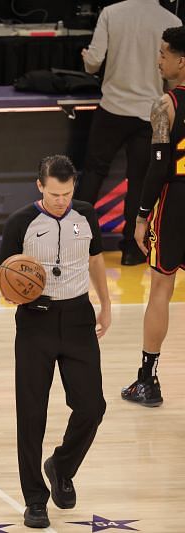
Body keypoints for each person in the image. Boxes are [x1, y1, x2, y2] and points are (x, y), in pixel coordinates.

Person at [0, 155, 110, 529]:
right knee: (31, 416)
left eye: (67, 193)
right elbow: (4, 281)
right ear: (39, 186)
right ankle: (34, 500)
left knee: (92, 406)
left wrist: (105, 305)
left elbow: (96, 260)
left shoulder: (87, 215)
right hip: (35, 322)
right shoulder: (21, 223)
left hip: (78, 318)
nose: (61, 200)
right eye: (54, 193)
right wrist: (19, 293)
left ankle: (61, 466)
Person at [76, 0, 180, 266]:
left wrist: (86, 58)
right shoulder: (171, 20)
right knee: (139, 180)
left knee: (93, 172)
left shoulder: (111, 12)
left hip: (112, 107)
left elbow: (94, 62)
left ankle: (73, 242)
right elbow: (173, 78)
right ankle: (132, 250)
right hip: (150, 111)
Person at [121, 26, 185, 408]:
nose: (159, 59)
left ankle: (148, 380)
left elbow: (157, 167)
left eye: (164, 53)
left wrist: (142, 216)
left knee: (161, 287)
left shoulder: (166, 104)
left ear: (182, 61)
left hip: (176, 199)